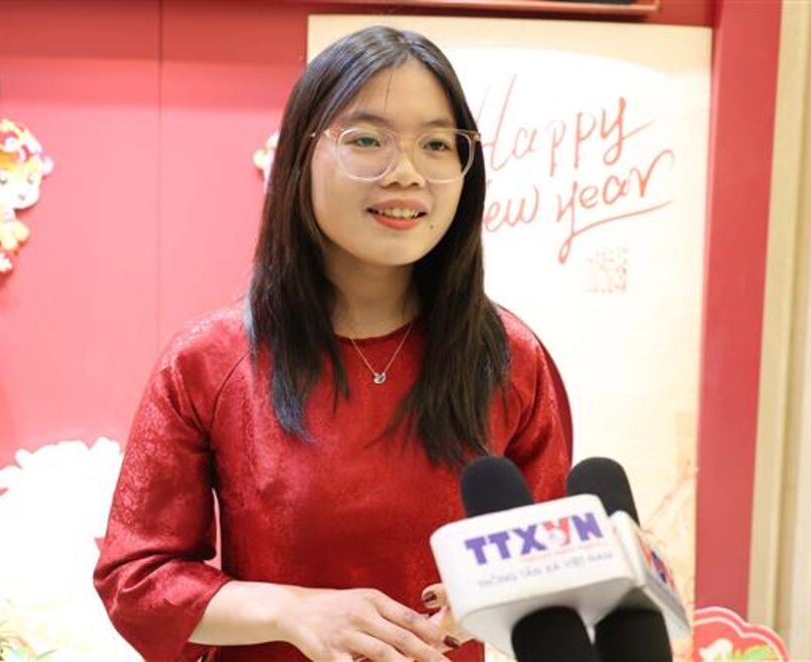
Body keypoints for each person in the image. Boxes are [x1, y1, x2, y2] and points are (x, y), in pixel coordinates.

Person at [93, 25, 570, 662]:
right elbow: (137, 580)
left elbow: (551, 561)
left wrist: (499, 595)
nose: (407, 173)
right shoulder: (208, 361)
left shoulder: (509, 358)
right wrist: (293, 610)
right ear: (300, 156)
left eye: (436, 144)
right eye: (367, 140)